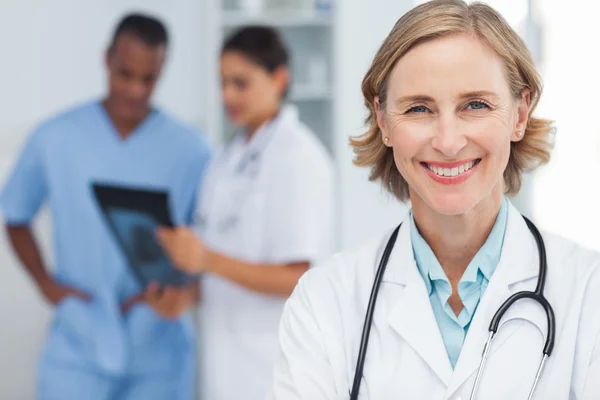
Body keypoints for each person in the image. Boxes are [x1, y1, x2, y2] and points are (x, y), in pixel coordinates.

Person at [268, 1, 600, 399]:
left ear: (520, 114)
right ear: (383, 120)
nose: (448, 141)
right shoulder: (324, 302)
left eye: (475, 105)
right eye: (419, 108)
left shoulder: (587, 294)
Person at [0, 13, 212, 400]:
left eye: (148, 80)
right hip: (78, 344)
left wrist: (187, 292)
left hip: (159, 347)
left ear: (162, 72)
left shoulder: (193, 151)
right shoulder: (55, 137)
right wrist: (47, 286)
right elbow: (15, 215)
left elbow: (213, 248)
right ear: (106, 59)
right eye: (124, 74)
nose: (134, 89)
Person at [156, 26, 335, 400]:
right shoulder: (225, 159)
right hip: (223, 369)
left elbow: (297, 276)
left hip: (272, 370)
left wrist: (206, 260)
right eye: (222, 83)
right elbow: (217, 261)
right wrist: (186, 295)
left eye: (240, 82)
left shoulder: (298, 157)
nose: (227, 95)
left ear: (279, 79)